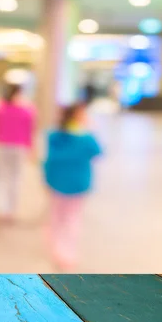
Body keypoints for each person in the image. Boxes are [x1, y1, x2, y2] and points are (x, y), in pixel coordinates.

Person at [42, 102, 102, 272]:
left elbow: (49, 159)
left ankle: (57, 247)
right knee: (71, 219)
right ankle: (66, 253)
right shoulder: (86, 138)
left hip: (57, 182)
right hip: (76, 184)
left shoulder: (54, 135)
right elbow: (98, 152)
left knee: (57, 215)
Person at [0, 83, 36, 226]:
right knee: (14, 177)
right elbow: (29, 131)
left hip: (3, 146)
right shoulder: (27, 110)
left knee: (1, 177)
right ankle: (10, 209)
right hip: (18, 147)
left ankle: (1, 208)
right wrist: (31, 148)